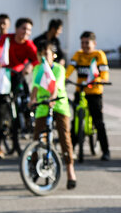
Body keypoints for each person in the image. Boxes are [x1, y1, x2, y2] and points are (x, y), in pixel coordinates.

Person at [29, 40, 76, 188]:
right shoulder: (37, 69)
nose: (43, 57)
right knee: (37, 137)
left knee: (64, 135)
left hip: (59, 105)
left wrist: (52, 98)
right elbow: (36, 86)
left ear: (53, 55)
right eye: (40, 54)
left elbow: (55, 85)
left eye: (46, 54)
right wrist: (32, 100)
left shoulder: (59, 69)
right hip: (43, 106)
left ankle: (70, 170)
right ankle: (34, 167)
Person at [0, 17, 39, 159]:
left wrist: (30, 66)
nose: (26, 32)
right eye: (24, 28)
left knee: (27, 102)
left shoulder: (29, 44)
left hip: (19, 76)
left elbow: (36, 59)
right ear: (17, 29)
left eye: (29, 30)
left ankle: (26, 124)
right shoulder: (7, 39)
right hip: (4, 76)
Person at [65, 31, 110, 161]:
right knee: (75, 122)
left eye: (87, 43)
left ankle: (105, 150)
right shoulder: (78, 55)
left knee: (98, 122)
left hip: (95, 93)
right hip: (81, 91)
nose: (84, 46)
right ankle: (71, 149)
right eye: (82, 43)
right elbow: (70, 68)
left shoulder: (98, 55)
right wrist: (65, 78)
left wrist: (102, 79)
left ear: (94, 43)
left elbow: (104, 72)